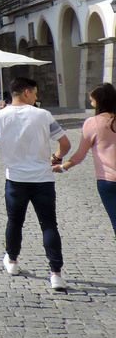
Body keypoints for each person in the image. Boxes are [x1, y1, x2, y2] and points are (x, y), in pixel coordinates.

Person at [0, 76, 71, 291]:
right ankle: (56, 274)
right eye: (35, 93)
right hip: (43, 179)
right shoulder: (43, 115)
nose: (36, 97)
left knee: (14, 222)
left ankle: (12, 262)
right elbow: (65, 143)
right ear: (26, 92)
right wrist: (56, 158)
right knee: (49, 225)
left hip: (16, 180)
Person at [52, 83, 116, 238]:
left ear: (99, 102)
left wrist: (62, 167)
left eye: (92, 101)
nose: (91, 103)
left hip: (108, 180)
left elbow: (80, 154)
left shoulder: (93, 123)